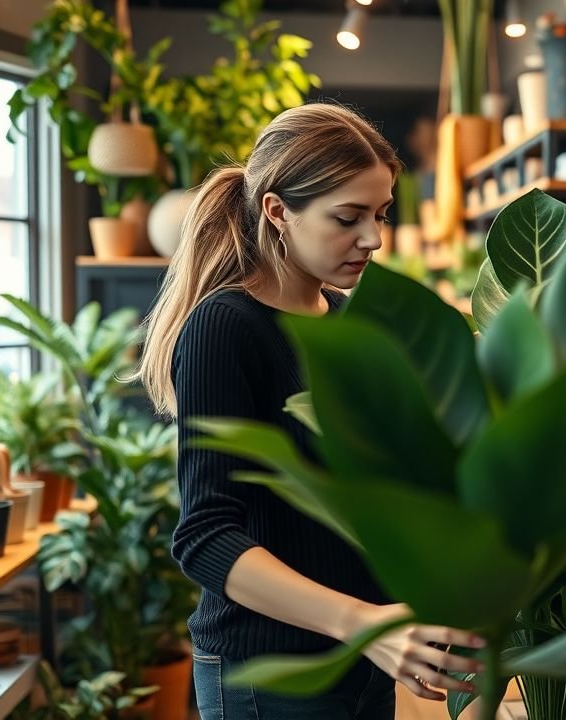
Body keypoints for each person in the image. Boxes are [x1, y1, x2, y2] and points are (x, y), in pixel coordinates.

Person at [135, 104, 485, 719]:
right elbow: (207, 538)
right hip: (268, 673)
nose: (374, 238)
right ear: (278, 211)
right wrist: (365, 623)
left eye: (379, 215)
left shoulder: (352, 325)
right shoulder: (226, 327)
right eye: (348, 218)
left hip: (365, 660)